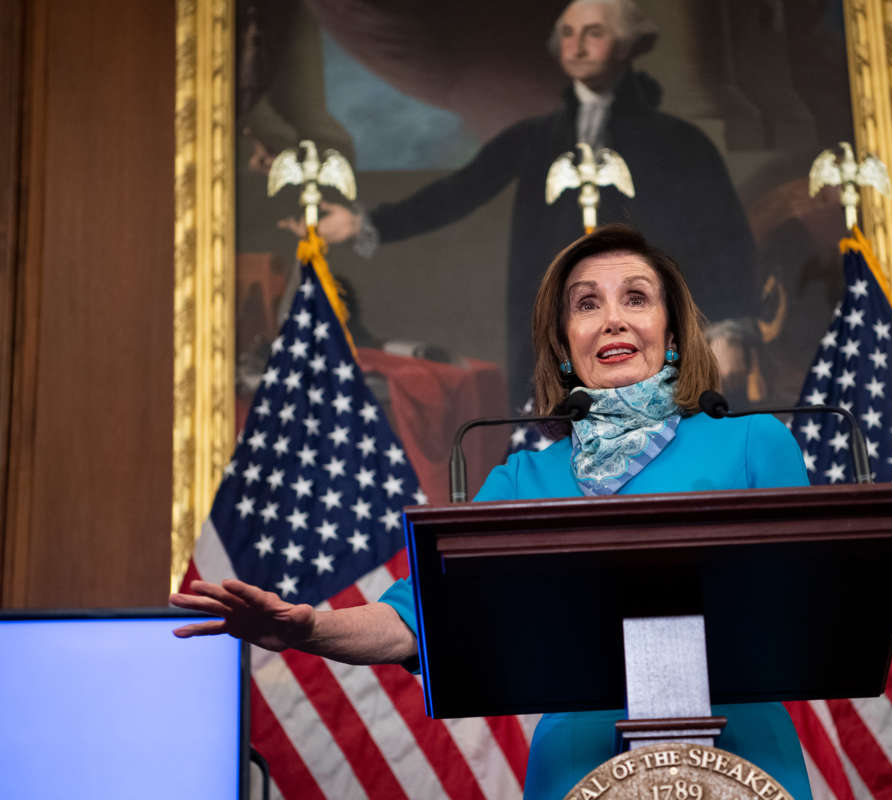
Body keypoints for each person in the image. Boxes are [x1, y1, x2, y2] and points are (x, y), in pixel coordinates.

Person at [172, 224, 812, 799]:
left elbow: (810, 602)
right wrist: (308, 629)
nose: (612, 319)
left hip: (742, 763)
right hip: (580, 772)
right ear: (565, 346)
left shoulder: (753, 443)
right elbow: (416, 617)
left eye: (636, 298)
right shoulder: (523, 477)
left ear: (671, 333)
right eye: (587, 304)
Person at [281, 0, 759, 409]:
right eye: (567, 33)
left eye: (594, 33)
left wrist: (730, 323)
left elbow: (723, 235)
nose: (576, 45)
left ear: (629, 45)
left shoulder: (680, 142)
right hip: (559, 330)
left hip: (650, 331)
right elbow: (459, 192)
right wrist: (367, 222)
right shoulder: (536, 138)